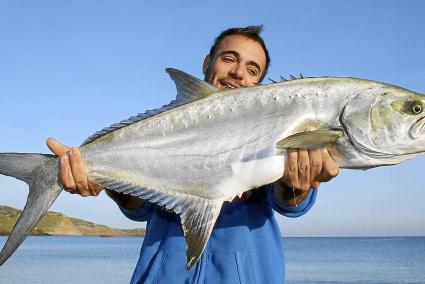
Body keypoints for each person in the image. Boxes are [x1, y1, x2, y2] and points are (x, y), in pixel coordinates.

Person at [47, 26, 339, 283]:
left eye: (253, 70)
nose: (238, 73)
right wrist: (108, 180)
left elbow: (288, 203)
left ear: (259, 85)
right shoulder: (162, 131)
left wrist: (296, 183)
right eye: (229, 59)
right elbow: (138, 207)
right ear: (206, 63)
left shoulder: (275, 129)